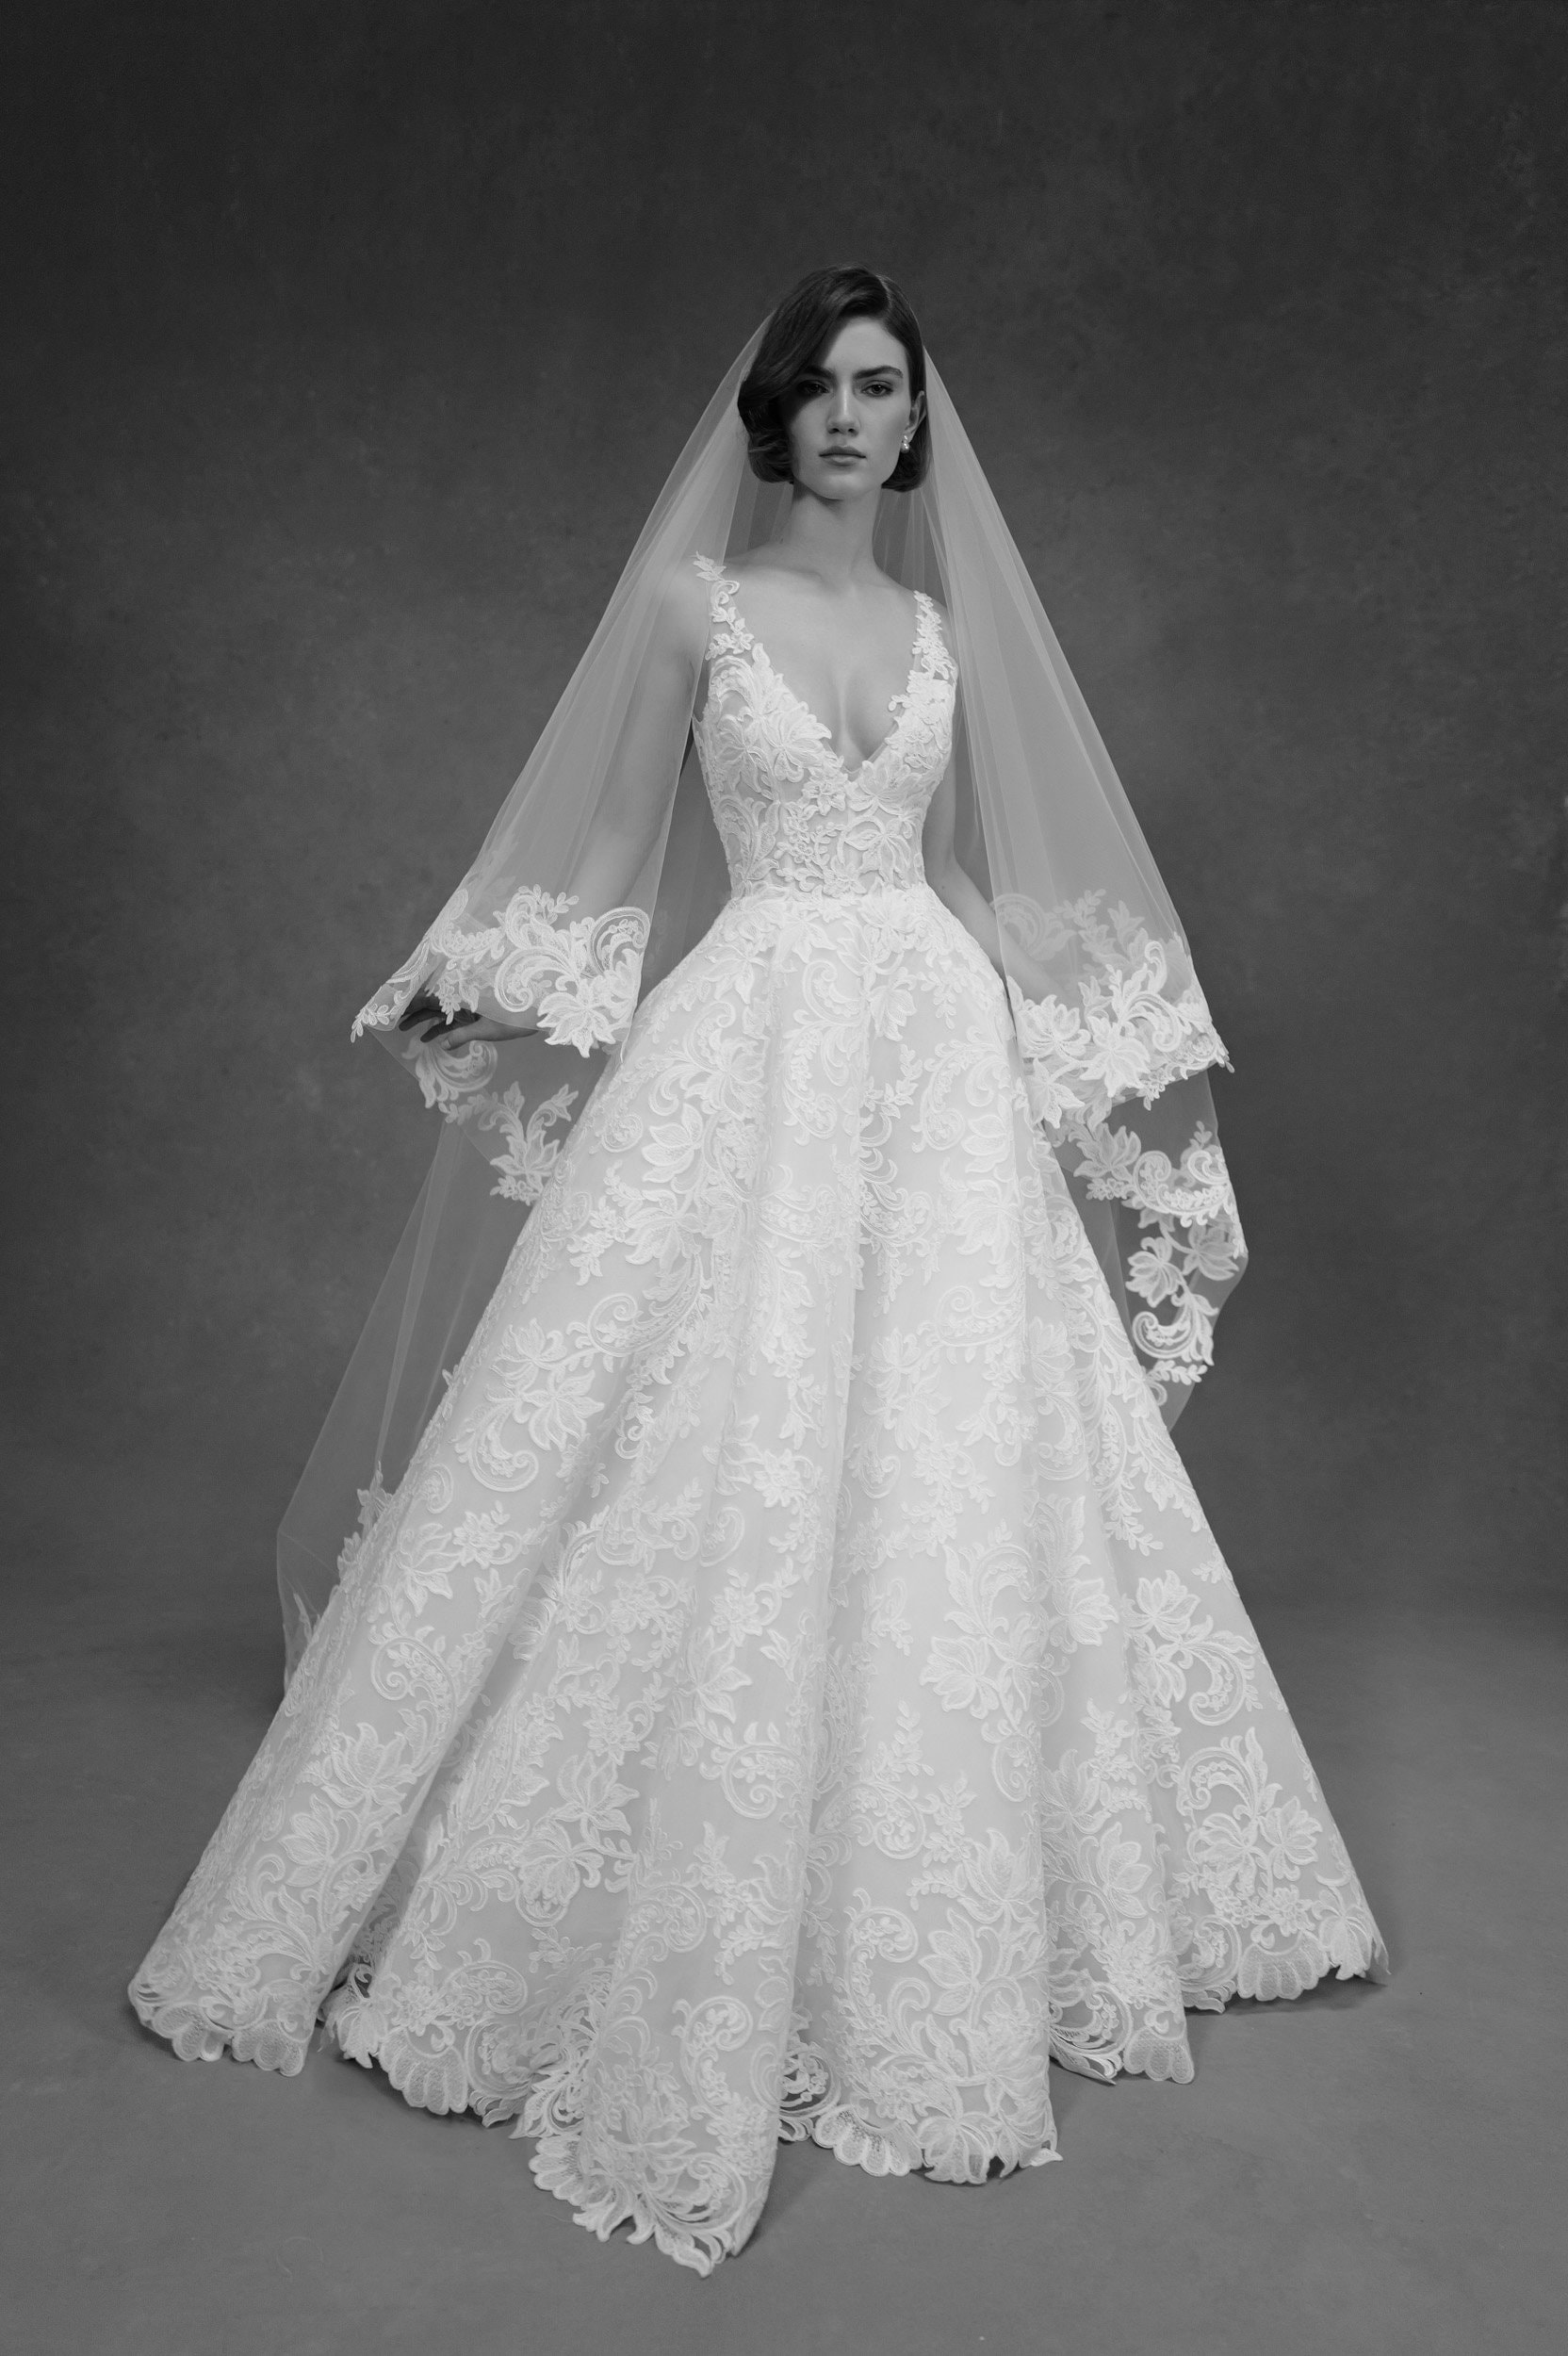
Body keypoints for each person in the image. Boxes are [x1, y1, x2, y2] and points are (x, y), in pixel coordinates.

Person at [130, 266, 1386, 2275]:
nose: (854, 417)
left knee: (947, 1444)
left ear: (916, 419)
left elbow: (953, 867)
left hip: (931, 1050)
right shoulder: (687, 607)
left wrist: (1080, 1026)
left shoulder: (940, 629)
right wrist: (480, 976)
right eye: (824, 387)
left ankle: (964, 1880)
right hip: (755, 1039)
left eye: (885, 387)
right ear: (774, 413)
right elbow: (611, 850)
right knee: (713, 1423)